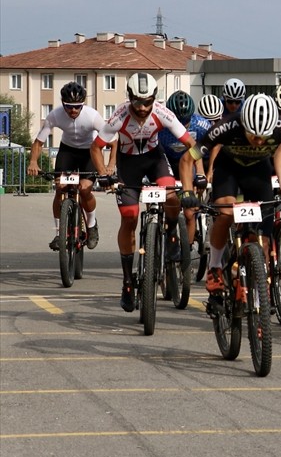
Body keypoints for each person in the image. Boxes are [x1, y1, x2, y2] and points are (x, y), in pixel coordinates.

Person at [179, 94, 281, 306]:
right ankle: (215, 268)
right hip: (228, 169)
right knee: (226, 213)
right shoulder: (226, 126)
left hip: (258, 171)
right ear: (243, 124)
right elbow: (187, 159)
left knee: (264, 242)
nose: (258, 141)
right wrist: (187, 192)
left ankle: (259, 299)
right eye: (253, 135)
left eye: (263, 137)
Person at [89, 73, 196, 312]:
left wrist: (193, 170)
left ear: (154, 99)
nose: (143, 108)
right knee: (129, 216)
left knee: (171, 195)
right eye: (137, 102)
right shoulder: (119, 116)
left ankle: (170, 235)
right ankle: (128, 281)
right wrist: (103, 174)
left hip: (154, 159)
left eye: (148, 102)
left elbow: (191, 144)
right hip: (128, 164)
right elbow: (96, 148)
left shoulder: (161, 112)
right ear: (129, 98)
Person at [27, 81, 105, 251]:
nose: (73, 110)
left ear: (82, 104)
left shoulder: (92, 116)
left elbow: (110, 139)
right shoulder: (55, 115)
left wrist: (107, 165)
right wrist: (33, 161)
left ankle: (91, 226)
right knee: (60, 188)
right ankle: (58, 232)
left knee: (85, 189)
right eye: (69, 106)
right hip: (67, 151)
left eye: (77, 106)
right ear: (63, 103)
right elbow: (39, 142)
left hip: (89, 152)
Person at [159, 91, 212, 258]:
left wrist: (203, 173)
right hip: (166, 162)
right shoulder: (160, 127)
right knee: (166, 202)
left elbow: (206, 150)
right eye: (178, 123)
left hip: (191, 163)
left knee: (190, 213)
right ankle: (165, 232)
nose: (183, 127)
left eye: (186, 122)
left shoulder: (202, 125)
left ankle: (186, 254)